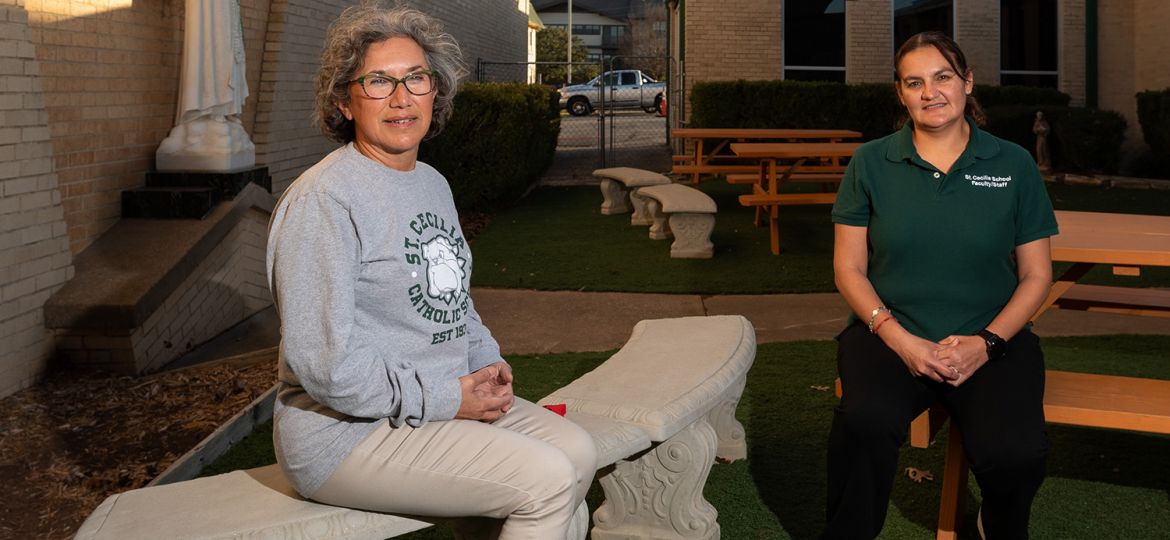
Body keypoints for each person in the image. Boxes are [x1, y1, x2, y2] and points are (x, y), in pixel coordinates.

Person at [265, 5, 597, 538]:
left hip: (437, 400)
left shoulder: (431, 182)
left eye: (415, 77)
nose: (401, 98)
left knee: (579, 448)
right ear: (344, 102)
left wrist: (486, 359)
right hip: (345, 437)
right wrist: (447, 398)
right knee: (549, 478)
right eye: (378, 81)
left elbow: (453, 301)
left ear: (434, 91)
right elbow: (323, 366)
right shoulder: (324, 201)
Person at [825, 31, 1058, 539]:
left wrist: (987, 343)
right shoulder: (870, 163)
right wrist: (900, 340)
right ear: (900, 93)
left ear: (967, 82)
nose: (930, 92)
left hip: (992, 339)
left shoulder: (1013, 164)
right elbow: (849, 269)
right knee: (863, 422)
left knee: (1016, 454)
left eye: (942, 77)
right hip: (890, 336)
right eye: (915, 82)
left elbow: (1038, 274)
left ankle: (993, 527)